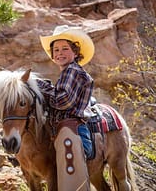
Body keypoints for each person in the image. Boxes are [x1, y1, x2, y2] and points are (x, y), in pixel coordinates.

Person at [36, 24, 95, 191]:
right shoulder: (68, 72)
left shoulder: (72, 71)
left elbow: (63, 101)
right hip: (67, 126)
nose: (59, 53)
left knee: (71, 179)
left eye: (65, 49)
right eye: (56, 50)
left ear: (75, 52)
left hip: (70, 127)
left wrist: (40, 86)